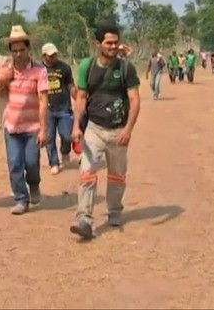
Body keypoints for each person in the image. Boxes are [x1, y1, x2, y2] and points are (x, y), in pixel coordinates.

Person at [71, 22, 141, 239]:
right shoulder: (87, 67)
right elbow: (81, 98)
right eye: (108, 42)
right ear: (98, 44)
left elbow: (135, 100)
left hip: (119, 130)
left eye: (115, 42)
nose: (113, 46)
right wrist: (76, 126)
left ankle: (114, 210)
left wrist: (128, 129)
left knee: (117, 175)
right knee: (87, 171)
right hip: (95, 129)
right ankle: (84, 219)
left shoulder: (126, 68)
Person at [0, 25, 49, 215]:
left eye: (21, 50)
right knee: (15, 164)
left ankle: (34, 184)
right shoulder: (5, 69)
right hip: (12, 125)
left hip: (32, 126)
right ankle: (20, 199)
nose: (18, 54)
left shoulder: (39, 71)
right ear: (10, 51)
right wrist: (3, 79)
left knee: (32, 162)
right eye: (14, 51)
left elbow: (43, 100)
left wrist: (44, 129)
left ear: (28, 49)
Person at [41, 43, 76, 175]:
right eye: (50, 56)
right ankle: (54, 162)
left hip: (64, 108)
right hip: (48, 109)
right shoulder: (39, 69)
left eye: (55, 54)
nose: (53, 57)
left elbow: (70, 85)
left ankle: (65, 151)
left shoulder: (64, 68)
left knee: (66, 135)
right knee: (49, 137)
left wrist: (77, 99)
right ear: (44, 56)